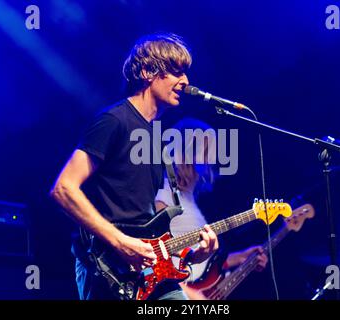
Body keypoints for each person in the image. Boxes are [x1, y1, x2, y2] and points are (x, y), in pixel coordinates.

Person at [50, 33, 219, 300]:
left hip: (151, 275)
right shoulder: (113, 121)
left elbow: (148, 225)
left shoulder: (156, 138)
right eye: (176, 72)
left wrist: (195, 254)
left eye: (185, 73)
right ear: (146, 71)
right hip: (107, 267)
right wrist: (120, 242)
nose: (185, 81)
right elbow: (63, 189)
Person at [155, 118, 268, 300]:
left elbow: (194, 260)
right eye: (208, 150)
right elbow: (156, 261)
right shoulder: (164, 192)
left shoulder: (188, 198)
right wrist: (190, 295)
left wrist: (240, 257)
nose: (213, 158)